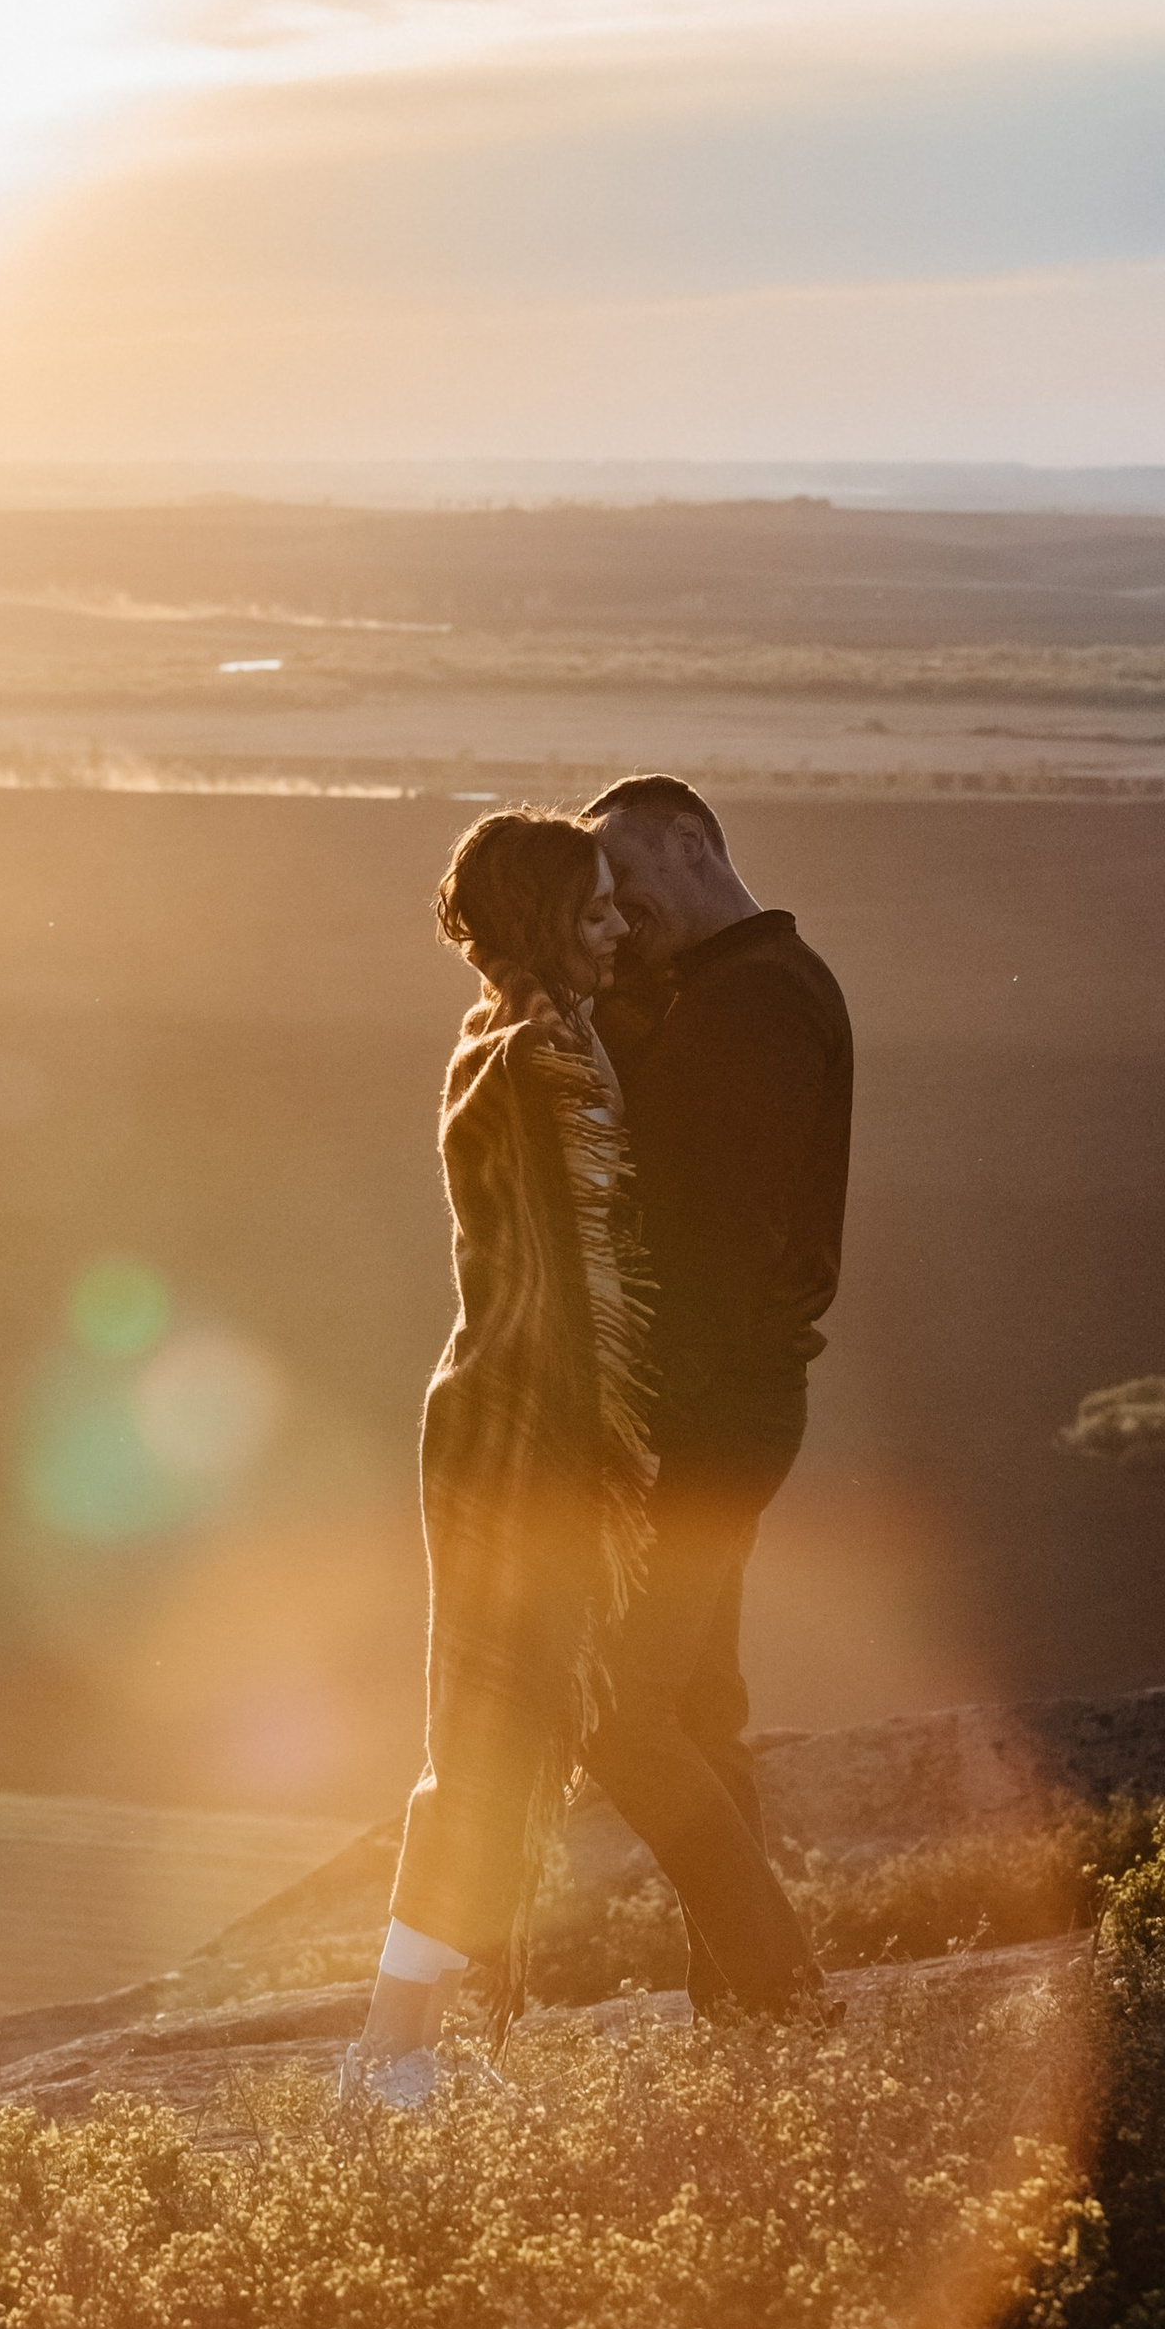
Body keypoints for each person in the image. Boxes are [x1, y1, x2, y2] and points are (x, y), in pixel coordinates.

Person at [345, 809, 656, 2105]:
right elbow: (591, 1268)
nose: (620, 929)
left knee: (491, 1731)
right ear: (539, 921)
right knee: (483, 1735)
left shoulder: (503, 1036)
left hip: (493, 1421)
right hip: (522, 1437)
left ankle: (417, 2039)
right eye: (594, 911)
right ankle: (387, 2050)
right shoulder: (542, 1058)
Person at [576, 772, 853, 2022]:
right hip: (725, 1405)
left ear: (691, 841)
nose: (618, 914)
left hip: (708, 1415)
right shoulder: (726, 992)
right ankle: (742, 2008)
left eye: (627, 884)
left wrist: (646, 1429)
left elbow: (718, 1245)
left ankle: (780, 1989)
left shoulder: (757, 1000)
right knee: (695, 1706)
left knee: (619, 1711)